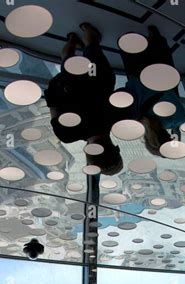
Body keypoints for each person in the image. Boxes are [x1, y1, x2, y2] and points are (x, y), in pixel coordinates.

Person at [44, 22, 123, 175]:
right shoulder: (67, 135)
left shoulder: (118, 120)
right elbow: (53, 107)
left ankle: (87, 32)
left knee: (92, 47)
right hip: (69, 82)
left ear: (115, 148)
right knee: (67, 58)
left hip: (98, 78)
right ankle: (72, 39)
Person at [117, 25, 185, 155]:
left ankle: (154, 35)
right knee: (129, 40)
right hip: (136, 77)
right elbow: (125, 94)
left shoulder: (179, 118)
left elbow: (171, 94)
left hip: (162, 75)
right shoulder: (138, 119)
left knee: (158, 49)